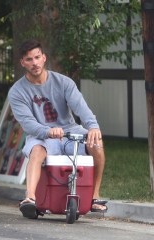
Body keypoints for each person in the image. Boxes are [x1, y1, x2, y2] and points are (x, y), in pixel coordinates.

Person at [8, 39, 108, 219]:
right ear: (22, 62)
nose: (35, 63)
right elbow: (28, 123)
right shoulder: (17, 91)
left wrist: (93, 126)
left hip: (69, 132)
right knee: (37, 151)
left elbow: (80, 107)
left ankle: (94, 196)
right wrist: (47, 131)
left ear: (44, 58)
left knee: (97, 144)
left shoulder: (64, 82)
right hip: (42, 136)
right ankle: (30, 198)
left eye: (37, 57)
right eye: (29, 59)